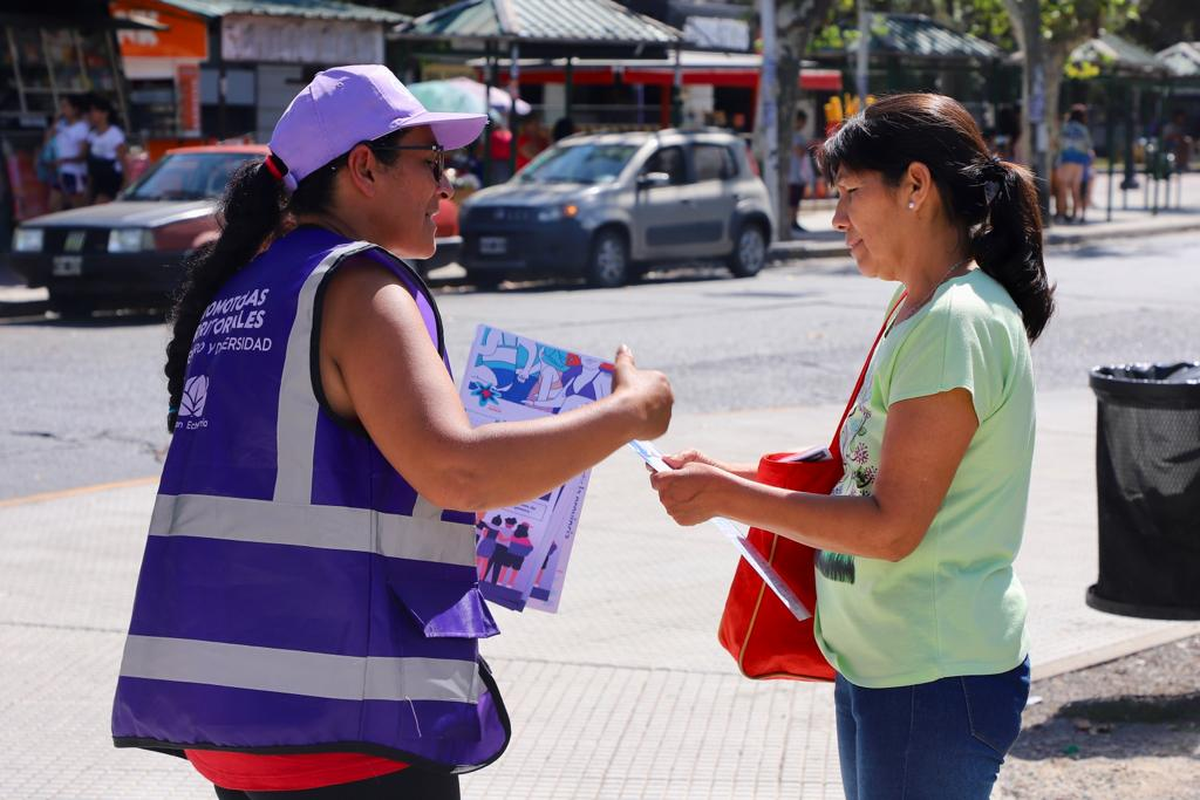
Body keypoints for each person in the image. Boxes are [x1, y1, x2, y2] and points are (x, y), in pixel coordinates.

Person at [111, 64, 672, 800]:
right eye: (431, 164)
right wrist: (633, 410)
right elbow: (458, 472)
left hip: (239, 723)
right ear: (363, 168)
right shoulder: (359, 287)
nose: (447, 185)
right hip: (343, 728)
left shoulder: (245, 286)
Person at [650, 93, 1054, 799]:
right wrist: (724, 475)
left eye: (847, 194)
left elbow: (892, 525)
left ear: (917, 188)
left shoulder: (954, 322)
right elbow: (861, 476)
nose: (835, 218)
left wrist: (727, 496)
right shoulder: (918, 306)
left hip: (933, 674)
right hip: (889, 663)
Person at [48, 94, 90, 210]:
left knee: (78, 207)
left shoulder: (81, 127)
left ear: (75, 109)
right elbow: (48, 139)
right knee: (53, 205)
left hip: (75, 173)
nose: (63, 110)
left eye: (65, 106)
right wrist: (55, 121)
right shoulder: (62, 126)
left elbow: (83, 154)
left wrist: (65, 160)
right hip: (60, 171)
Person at [84, 96, 128, 203]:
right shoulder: (92, 135)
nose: (92, 114)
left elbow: (123, 159)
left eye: (95, 111)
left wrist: (126, 182)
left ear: (105, 113)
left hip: (110, 178)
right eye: (91, 111)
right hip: (97, 178)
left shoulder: (115, 134)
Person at [1054, 104, 1093, 224]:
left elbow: (1058, 142)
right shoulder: (1083, 129)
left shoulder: (1065, 127)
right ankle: (1075, 216)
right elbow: (1088, 146)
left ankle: (1061, 216)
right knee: (1076, 190)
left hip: (1066, 159)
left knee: (1062, 189)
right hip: (1079, 162)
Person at [787, 109, 815, 233]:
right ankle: (791, 221)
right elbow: (799, 151)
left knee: (796, 199)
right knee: (792, 200)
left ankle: (794, 221)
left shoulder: (797, 135)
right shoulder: (793, 135)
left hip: (799, 174)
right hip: (792, 174)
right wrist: (807, 147)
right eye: (803, 121)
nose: (804, 125)